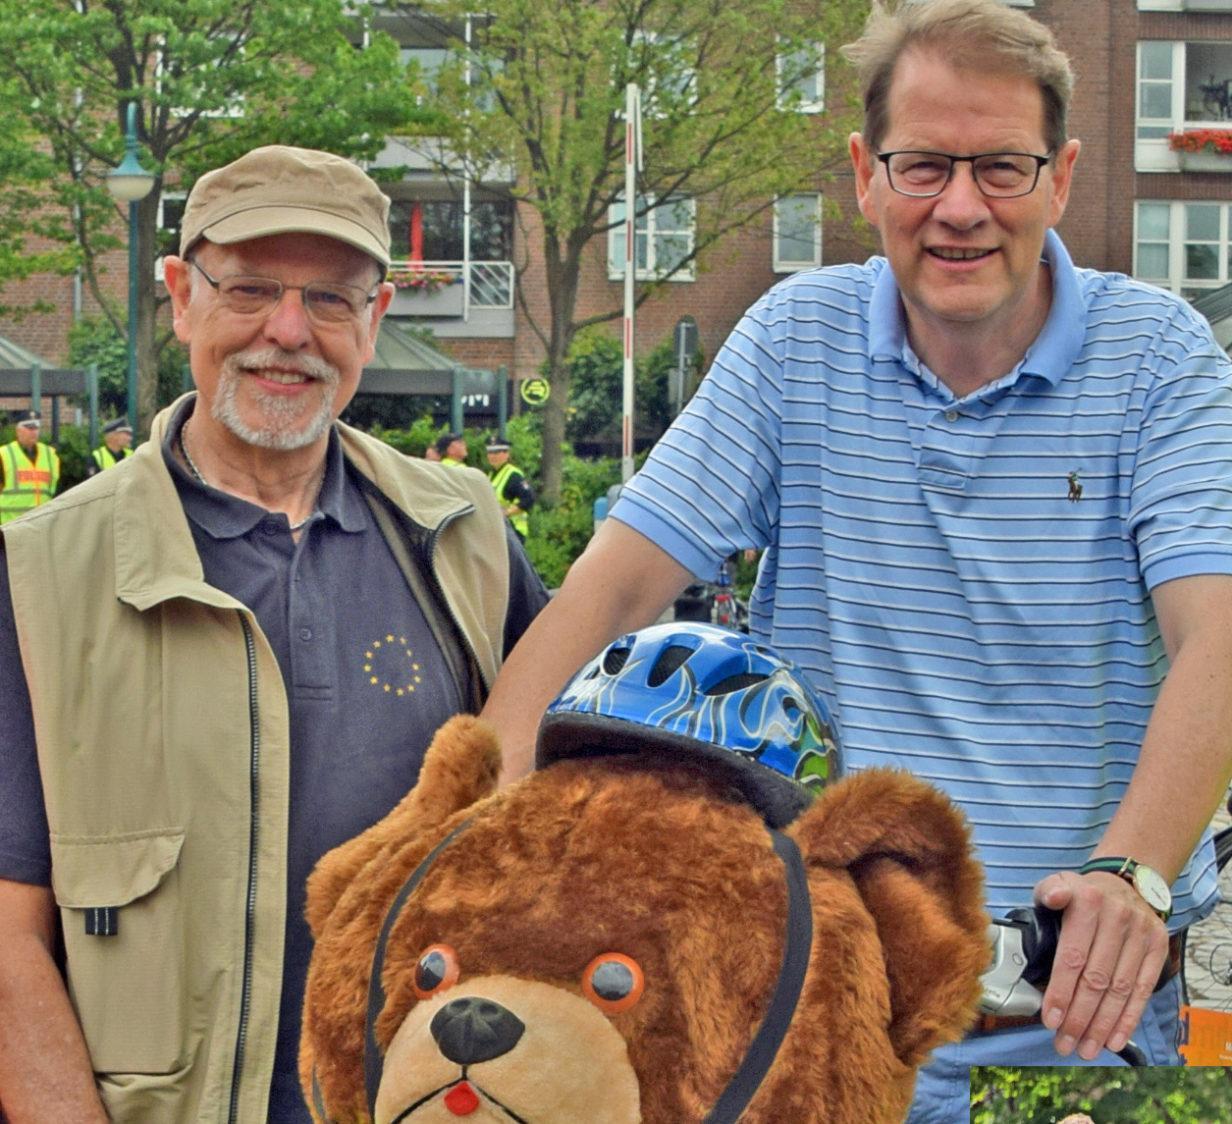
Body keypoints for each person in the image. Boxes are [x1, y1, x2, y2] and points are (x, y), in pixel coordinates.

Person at [479, 1, 1232, 1118]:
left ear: (1062, 176)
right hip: (824, 1005)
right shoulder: (795, 338)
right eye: (922, 165)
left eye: (1001, 167)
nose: (960, 208)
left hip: (1077, 1019)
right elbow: (615, 584)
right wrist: (479, 827)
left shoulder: (1155, 353)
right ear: (863, 174)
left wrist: (1129, 872)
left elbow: (1213, 633)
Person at [0, 144, 548, 1123]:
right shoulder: (38, 576)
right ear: (180, 296)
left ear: (374, 320)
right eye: (248, 287)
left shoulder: (465, 539)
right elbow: (5, 946)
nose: (287, 331)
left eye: (331, 299)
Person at [0, 411, 60, 524]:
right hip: (11, 526)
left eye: (36, 428)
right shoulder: (4, 455)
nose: (34, 432)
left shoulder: (50, 455)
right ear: (18, 430)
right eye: (29, 428)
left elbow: (55, 491)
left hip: (42, 524)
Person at [485, 438, 534, 541]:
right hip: (498, 528)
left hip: (513, 529)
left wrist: (506, 513)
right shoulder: (491, 475)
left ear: (506, 454)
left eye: (497, 452)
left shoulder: (513, 475)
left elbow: (529, 498)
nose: (492, 456)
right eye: (489, 452)